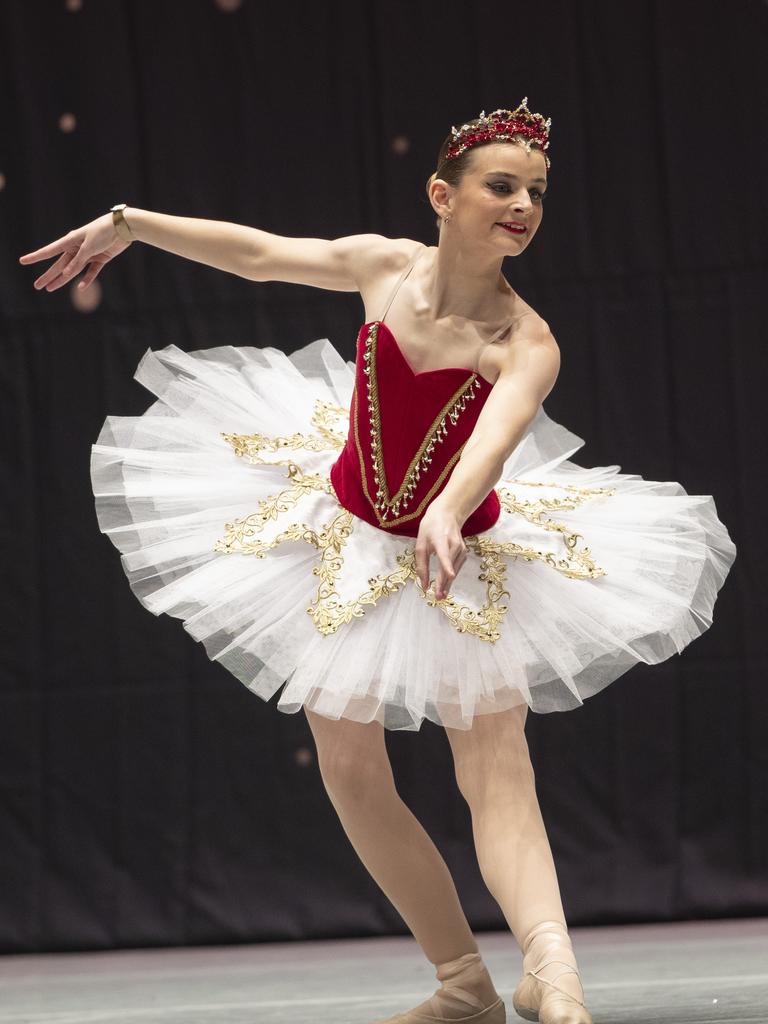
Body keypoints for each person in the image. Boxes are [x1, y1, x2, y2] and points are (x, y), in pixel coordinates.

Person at [19, 99, 736, 1024]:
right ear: (443, 195)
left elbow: (496, 439)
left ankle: (553, 978)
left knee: (495, 770)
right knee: (351, 769)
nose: (524, 205)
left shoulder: (527, 341)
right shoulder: (385, 267)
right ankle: (461, 982)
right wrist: (131, 224)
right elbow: (262, 251)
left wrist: (443, 509)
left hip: (464, 551)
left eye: (538, 192)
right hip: (346, 534)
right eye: (503, 186)